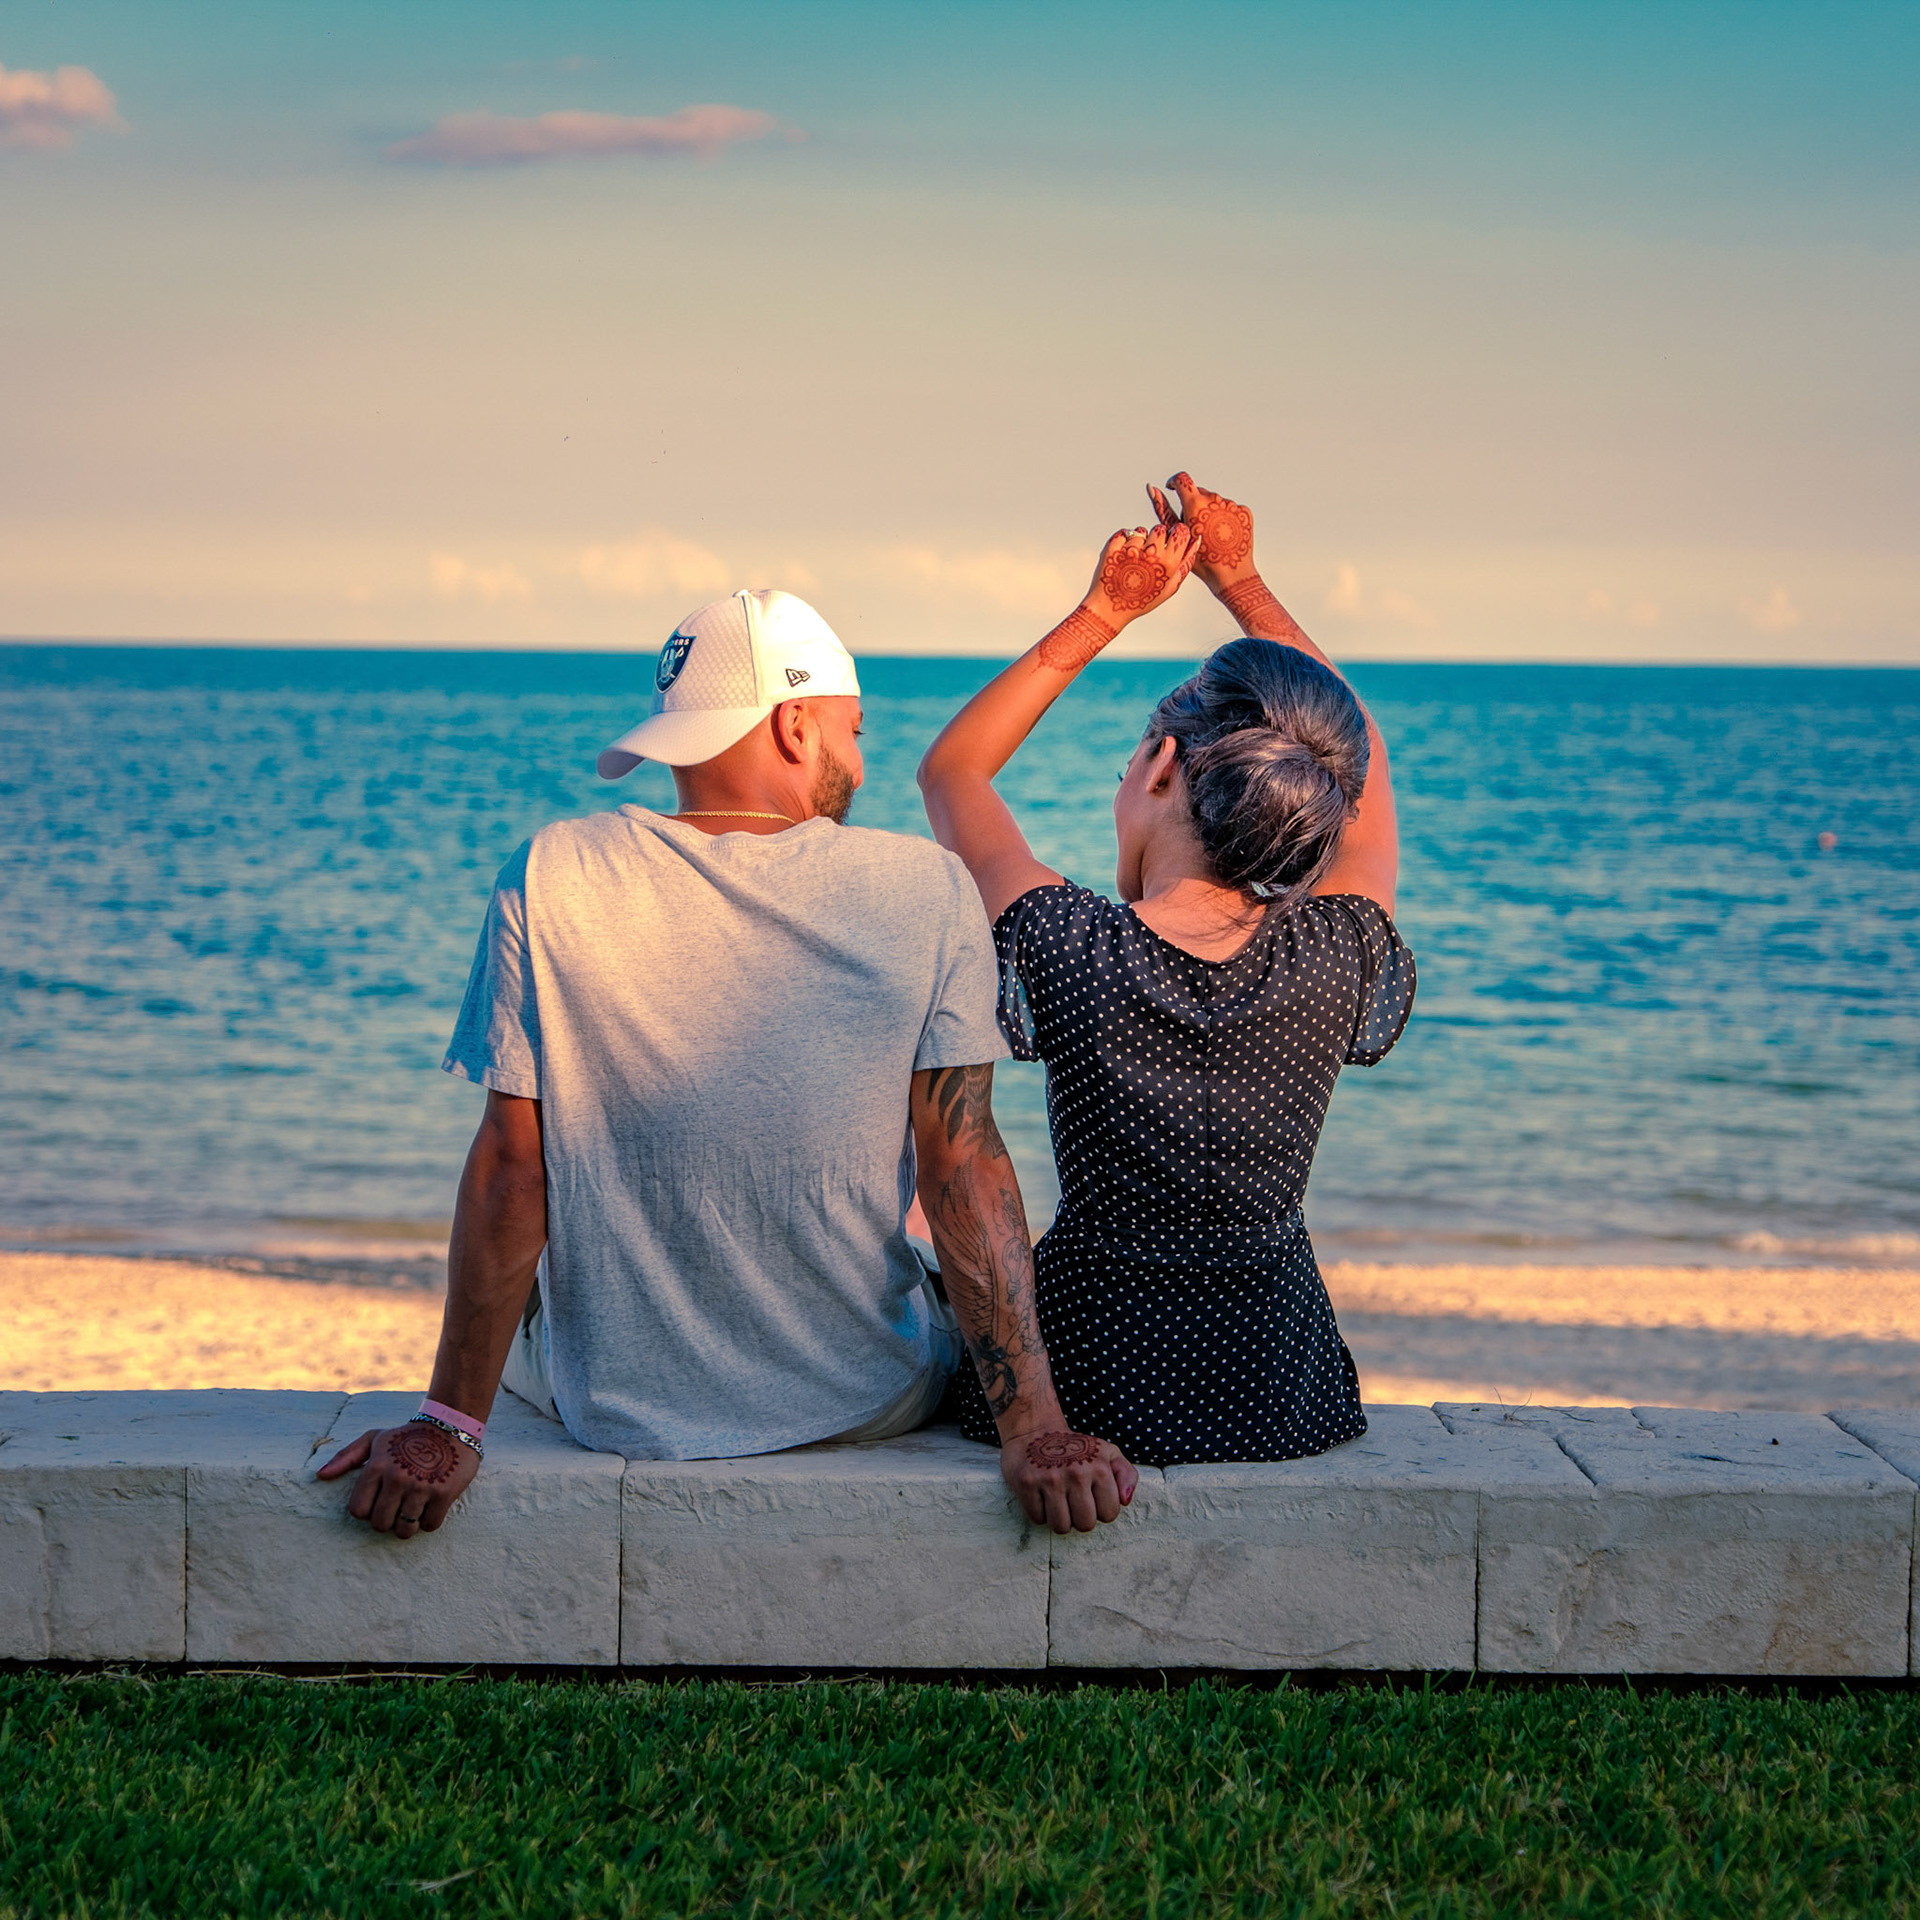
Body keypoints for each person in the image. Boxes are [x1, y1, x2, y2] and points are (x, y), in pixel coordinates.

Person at [319, 589, 1137, 1536]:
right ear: (796, 725)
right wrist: (1033, 1427)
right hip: (864, 1393)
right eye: (855, 732)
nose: (861, 762)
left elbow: (513, 1171)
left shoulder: (550, 873)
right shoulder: (926, 887)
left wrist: (447, 1424)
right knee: (920, 1229)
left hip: (615, 1405)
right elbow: (964, 1163)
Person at [917, 476, 1415, 1468]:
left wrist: (1104, 611)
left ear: (1157, 769)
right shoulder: (1335, 954)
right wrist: (1243, 580)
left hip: (1087, 1378)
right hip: (1279, 1388)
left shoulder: (1068, 943)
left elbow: (954, 770)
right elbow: (1369, 757)